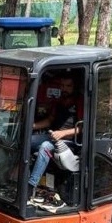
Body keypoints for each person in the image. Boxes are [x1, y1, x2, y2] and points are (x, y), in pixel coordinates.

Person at [27, 73, 82, 207]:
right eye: (62, 85)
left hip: (70, 141)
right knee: (28, 140)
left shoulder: (80, 102)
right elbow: (50, 120)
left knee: (45, 146)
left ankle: (30, 186)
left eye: (68, 86)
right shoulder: (59, 101)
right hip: (53, 136)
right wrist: (31, 126)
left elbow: (82, 128)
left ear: (74, 87)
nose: (64, 89)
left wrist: (62, 134)